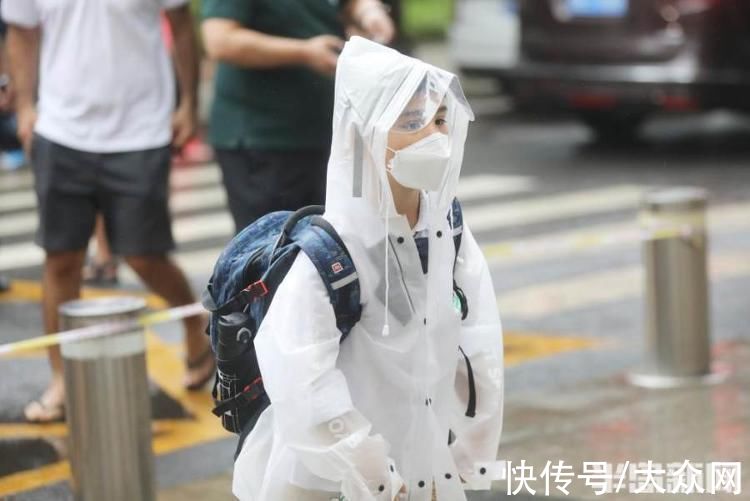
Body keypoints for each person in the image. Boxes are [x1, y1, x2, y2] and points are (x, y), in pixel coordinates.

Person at [232, 37, 504, 501]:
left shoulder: (449, 233)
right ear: (367, 133)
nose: (434, 136)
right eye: (412, 122)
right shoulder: (327, 254)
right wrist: (374, 474)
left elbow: (477, 345)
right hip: (327, 484)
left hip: (423, 472)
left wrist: (468, 456)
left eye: (440, 119)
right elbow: (304, 380)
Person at [3, 0, 215, 423]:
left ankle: (195, 324)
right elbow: (21, 32)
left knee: (143, 254)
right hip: (60, 130)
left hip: (141, 129)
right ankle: (62, 377)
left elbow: (181, 23)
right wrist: (26, 108)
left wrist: (188, 103)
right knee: (61, 258)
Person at [201, 0, 395, 233]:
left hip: (328, 134)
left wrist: (369, 12)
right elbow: (220, 40)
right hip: (265, 140)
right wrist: (304, 52)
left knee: (335, 248)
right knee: (277, 254)